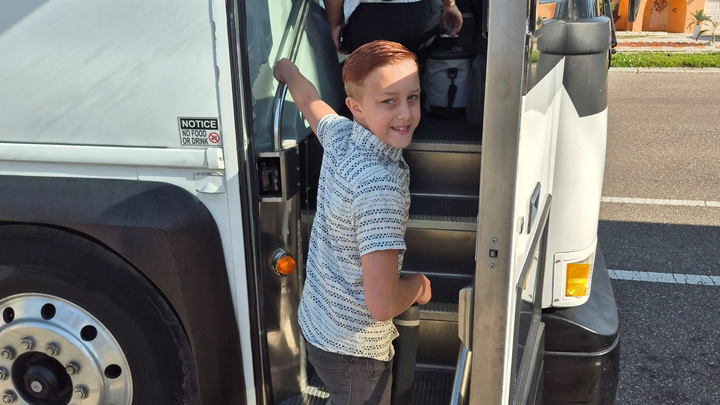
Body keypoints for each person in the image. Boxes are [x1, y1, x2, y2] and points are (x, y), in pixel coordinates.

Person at [273, 41, 432, 405]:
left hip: (319, 324)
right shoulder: (380, 188)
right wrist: (418, 286)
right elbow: (382, 303)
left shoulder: (341, 136)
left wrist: (287, 71)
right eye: (388, 101)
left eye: (413, 97)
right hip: (356, 355)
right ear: (356, 108)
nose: (405, 113)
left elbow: (307, 100)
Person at [324, 0, 464, 56]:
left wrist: (335, 23)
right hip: (421, 15)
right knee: (414, 76)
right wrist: (449, 5)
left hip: (368, 17)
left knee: (368, 78)